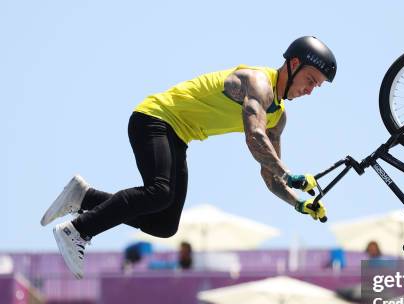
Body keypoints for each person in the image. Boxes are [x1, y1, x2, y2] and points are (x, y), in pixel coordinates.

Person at [40, 36, 337, 279]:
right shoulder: (258, 83)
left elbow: (269, 175)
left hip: (178, 135)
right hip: (155, 117)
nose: (310, 91)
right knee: (159, 191)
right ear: (293, 64)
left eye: (317, 86)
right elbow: (255, 138)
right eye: (310, 80)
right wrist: (290, 174)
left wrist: (298, 203)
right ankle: (78, 230)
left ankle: (84, 197)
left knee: (164, 224)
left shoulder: (278, 118)